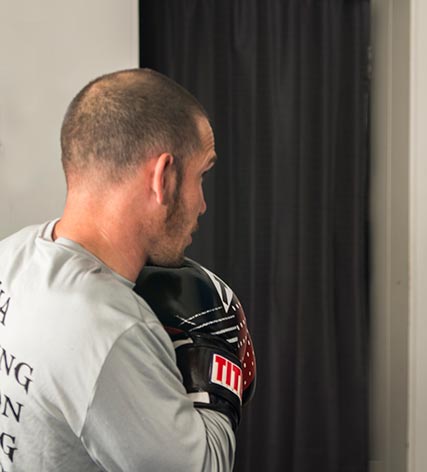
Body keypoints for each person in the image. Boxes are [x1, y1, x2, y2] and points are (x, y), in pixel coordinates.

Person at [0, 68, 246, 471]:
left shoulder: (10, 254)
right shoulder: (113, 331)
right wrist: (218, 381)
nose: (202, 204)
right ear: (163, 177)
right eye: (201, 175)